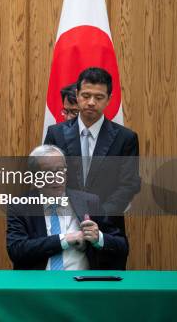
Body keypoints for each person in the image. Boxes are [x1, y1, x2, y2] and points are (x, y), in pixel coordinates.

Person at [43, 67, 140, 248]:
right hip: (65, 229)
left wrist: (98, 217)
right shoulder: (56, 134)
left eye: (99, 97)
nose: (91, 102)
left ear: (109, 99)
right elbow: (47, 179)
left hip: (107, 231)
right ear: (77, 94)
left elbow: (129, 185)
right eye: (86, 96)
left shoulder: (125, 138)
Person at [6, 145, 128, 270]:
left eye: (60, 170)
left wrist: (98, 238)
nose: (56, 178)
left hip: (80, 284)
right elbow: (16, 250)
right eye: (48, 172)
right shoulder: (20, 207)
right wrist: (65, 239)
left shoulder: (89, 202)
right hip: (39, 284)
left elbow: (121, 246)